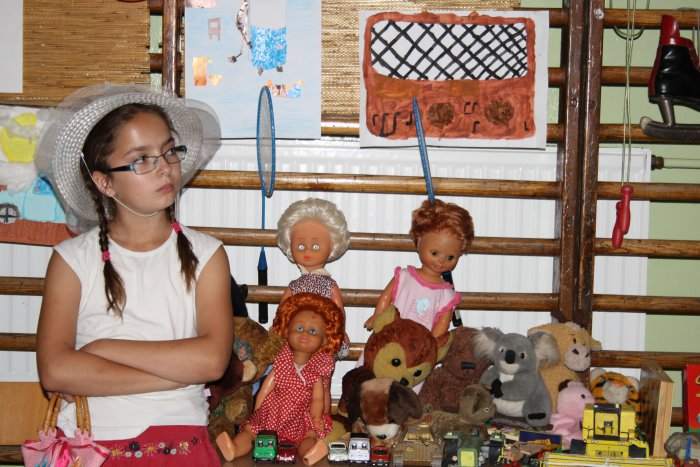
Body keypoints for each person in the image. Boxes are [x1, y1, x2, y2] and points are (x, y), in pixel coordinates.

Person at [34, 84, 233, 465]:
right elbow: (55, 371)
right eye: (141, 159)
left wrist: (102, 350)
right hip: (91, 446)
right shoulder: (71, 261)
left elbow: (211, 361)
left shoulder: (208, 255)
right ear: (105, 182)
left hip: (180, 443)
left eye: (169, 151)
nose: (164, 167)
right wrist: (177, 375)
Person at [216, 293, 345, 465]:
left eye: (313, 331)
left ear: (324, 340)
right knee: (251, 431)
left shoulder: (316, 371)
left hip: (300, 416)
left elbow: (317, 399)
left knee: (308, 436)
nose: (304, 334)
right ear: (287, 330)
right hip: (273, 412)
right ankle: (234, 448)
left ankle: (310, 452)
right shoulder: (282, 362)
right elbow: (266, 389)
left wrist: (316, 417)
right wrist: (258, 410)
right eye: (299, 328)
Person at [364, 198, 474, 339]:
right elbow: (386, 297)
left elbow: (442, 325)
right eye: (435, 253)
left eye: (450, 257)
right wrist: (377, 316)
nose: (441, 261)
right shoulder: (404, 277)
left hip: (420, 347)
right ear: (419, 240)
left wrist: (432, 345)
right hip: (391, 338)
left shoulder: (446, 295)